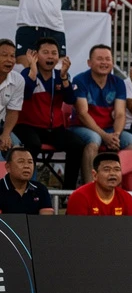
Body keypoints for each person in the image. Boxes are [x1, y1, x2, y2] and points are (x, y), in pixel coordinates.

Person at [13, 38, 79, 188]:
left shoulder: (60, 75)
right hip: (27, 125)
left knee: (77, 144)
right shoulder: (26, 73)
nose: (50, 56)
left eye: (54, 53)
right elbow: (25, 94)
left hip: (53, 128)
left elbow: (70, 99)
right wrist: (33, 70)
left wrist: (64, 77)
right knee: (33, 144)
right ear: (36, 55)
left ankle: (68, 192)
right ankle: (29, 188)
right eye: (46, 52)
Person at [70, 44, 132, 183]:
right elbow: (82, 114)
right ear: (89, 62)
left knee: (131, 141)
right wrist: (104, 136)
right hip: (82, 127)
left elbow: (120, 114)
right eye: (100, 59)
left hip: (109, 130)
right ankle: (90, 186)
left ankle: (119, 185)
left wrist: (116, 135)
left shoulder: (118, 82)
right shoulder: (80, 80)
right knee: (94, 139)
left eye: (108, 59)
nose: (104, 62)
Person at [66, 152, 132, 215]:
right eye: (107, 169)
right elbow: (76, 225)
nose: (112, 173)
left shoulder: (126, 198)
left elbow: (131, 225)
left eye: (117, 169)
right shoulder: (80, 197)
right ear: (95, 175)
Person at [0, 147, 54, 214]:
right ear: (8, 167)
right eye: (21, 161)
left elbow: (46, 219)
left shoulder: (40, 189)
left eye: (30, 162)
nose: (27, 166)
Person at [0, 39, 24, 153]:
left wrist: (6, 134)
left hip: (2, 125)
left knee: (17, 152)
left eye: (12, 56)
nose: (9, 60)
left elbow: (13, 111)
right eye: (4, 55)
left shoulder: (18, 80)